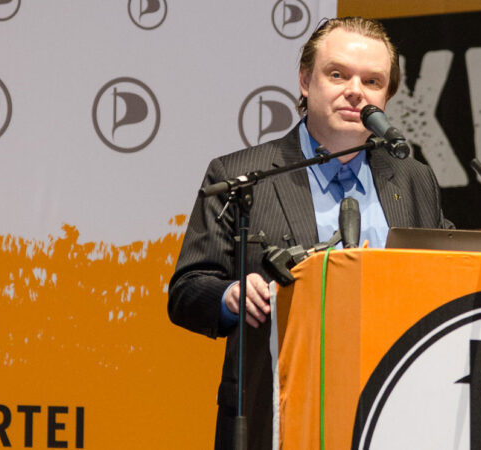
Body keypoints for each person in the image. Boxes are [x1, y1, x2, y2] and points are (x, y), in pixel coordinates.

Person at [168, 17, 452, 449]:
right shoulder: (242, 176)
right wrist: (230, 295)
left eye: (372, 81)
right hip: (276, 416)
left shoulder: (413, 179)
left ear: (386, 96)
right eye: (337, 74)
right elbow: (187, 290)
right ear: (305, 81)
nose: (355, 91)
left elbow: (445, 276)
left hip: (395, 412)